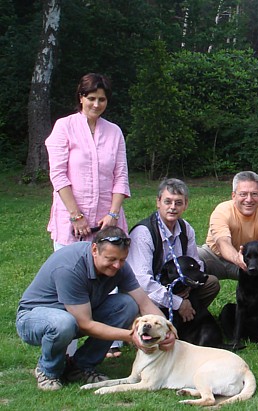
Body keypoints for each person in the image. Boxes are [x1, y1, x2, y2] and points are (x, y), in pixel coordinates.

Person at [16, 227, 170, 391]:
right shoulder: (70, 268)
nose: (117, 265)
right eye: (111, 259)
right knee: (63, 323)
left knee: (127, 305)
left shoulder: (119, 265)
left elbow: (144, 303)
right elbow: (85, 324)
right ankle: (48, 371)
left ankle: (81, 367)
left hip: (77, 314)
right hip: (34, 318)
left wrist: (167, 332)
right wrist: (133, 336)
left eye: (122, 260)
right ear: (94, 249)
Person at [45, 73, 130, 249]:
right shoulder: (64, 127)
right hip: (71, 221)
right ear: (81, 98)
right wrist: (76, 216)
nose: (96, 104)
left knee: (107, 272)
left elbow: (121, 177)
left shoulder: (114, 132)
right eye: (91, 98)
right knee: (70, 272)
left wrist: (112, 215)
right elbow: (58, 175)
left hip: (106, 224)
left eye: (102, 99)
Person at [127, 178, 220, 329]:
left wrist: (189, 287)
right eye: (167, 202)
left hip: (178, 288)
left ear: (186, 204)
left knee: (211, 283)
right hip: (147, 294)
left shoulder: (186, 228)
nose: (172, 207)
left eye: (178, 203)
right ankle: (144, 321)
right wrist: (177, 302)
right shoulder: (143, 233)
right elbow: (143, 281)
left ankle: (186, 319)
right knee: (157, 327)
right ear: (158, 202)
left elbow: (196, 264)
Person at [199, 171, 258, 281]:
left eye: (254, 194)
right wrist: (237, 258)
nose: (249, 199)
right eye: (243, 194)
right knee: (190, 260)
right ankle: (183, 297)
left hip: (250, 260)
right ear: (233, 196)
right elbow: (222, 242)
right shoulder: (222, 211)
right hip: (215, 257)